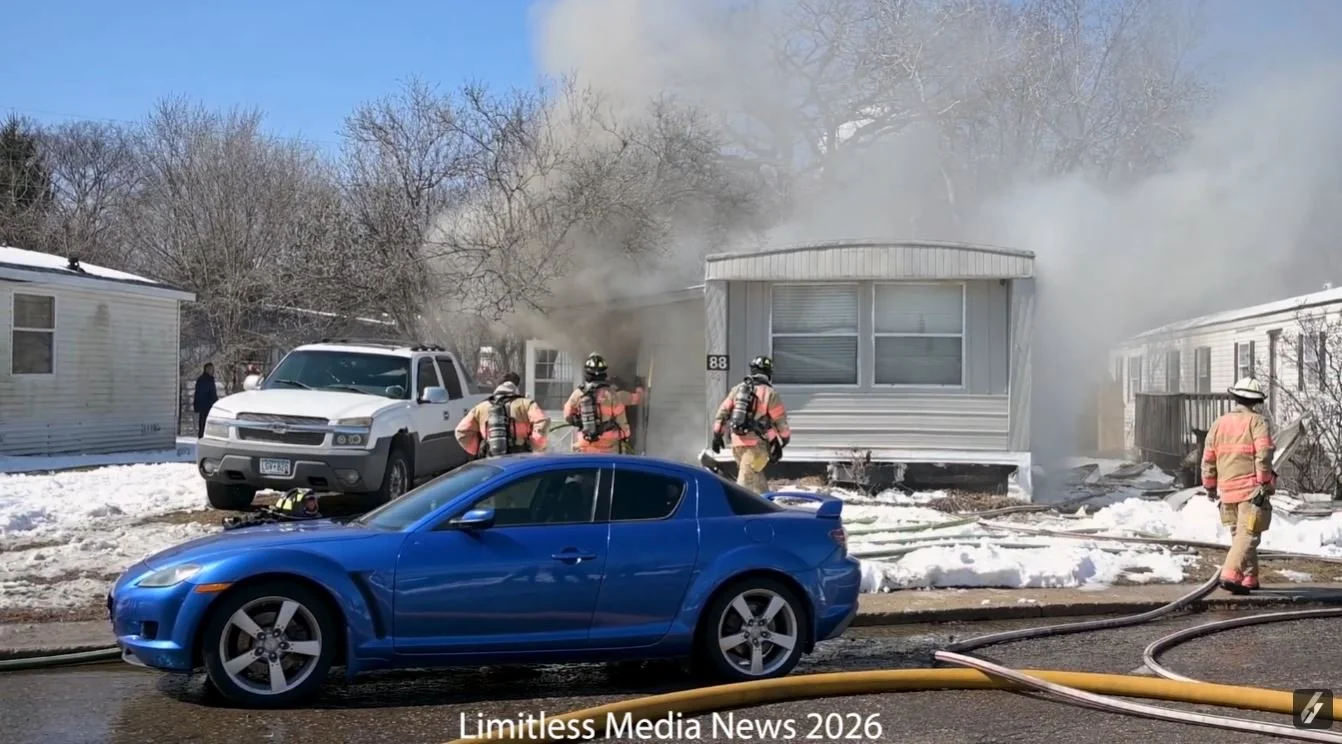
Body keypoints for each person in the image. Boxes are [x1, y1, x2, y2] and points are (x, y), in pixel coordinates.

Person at [1202, 377, 1276, 595]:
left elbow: (1208, 457)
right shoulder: (1257, 422)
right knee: (1249, 534)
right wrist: (1264, 479)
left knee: (1240, 534)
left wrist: (1210, 485)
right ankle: (1230, 574)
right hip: (1250, 489)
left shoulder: (1219, 423)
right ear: (1257, 401)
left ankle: (1250, 577)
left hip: (1227, 490)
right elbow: (1263, 453)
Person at [711, 355, 791, 493]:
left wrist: (717, 435)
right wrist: (784, 438)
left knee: (755, 478)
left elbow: (722, 413)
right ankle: (738, 512)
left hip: (737, 446)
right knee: (744, 487)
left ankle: (766, 507)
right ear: (768, 373)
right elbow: (780, 421)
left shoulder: (737, 390)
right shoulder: (770, 393)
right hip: (757, 449)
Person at [454, 372, 550, 458]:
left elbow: (461, 432)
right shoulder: (526, 404)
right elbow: (542, 421)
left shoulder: (480, 407)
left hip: (492, 458)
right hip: (520, 458)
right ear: (516, 386)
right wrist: (536, 446)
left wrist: (478, 449)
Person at [563, 353, 630, 453]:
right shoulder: (611, 394)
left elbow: (567, 414)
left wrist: (579, 422)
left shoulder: (579, 393)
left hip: (585, 441)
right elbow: (621, 419)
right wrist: (626, 436)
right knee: (609, 467)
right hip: (608, 444)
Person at [193, 363, 219, 438]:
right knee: (203, 424)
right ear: (206, 369)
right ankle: (202, 438)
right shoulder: (202, 380)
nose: (212, 370)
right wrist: (197, 405)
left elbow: (213, 393)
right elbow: (199, 393)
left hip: (210, 405)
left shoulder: (211, 379)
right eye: (210, 369)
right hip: (204, 405)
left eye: (212, 369)